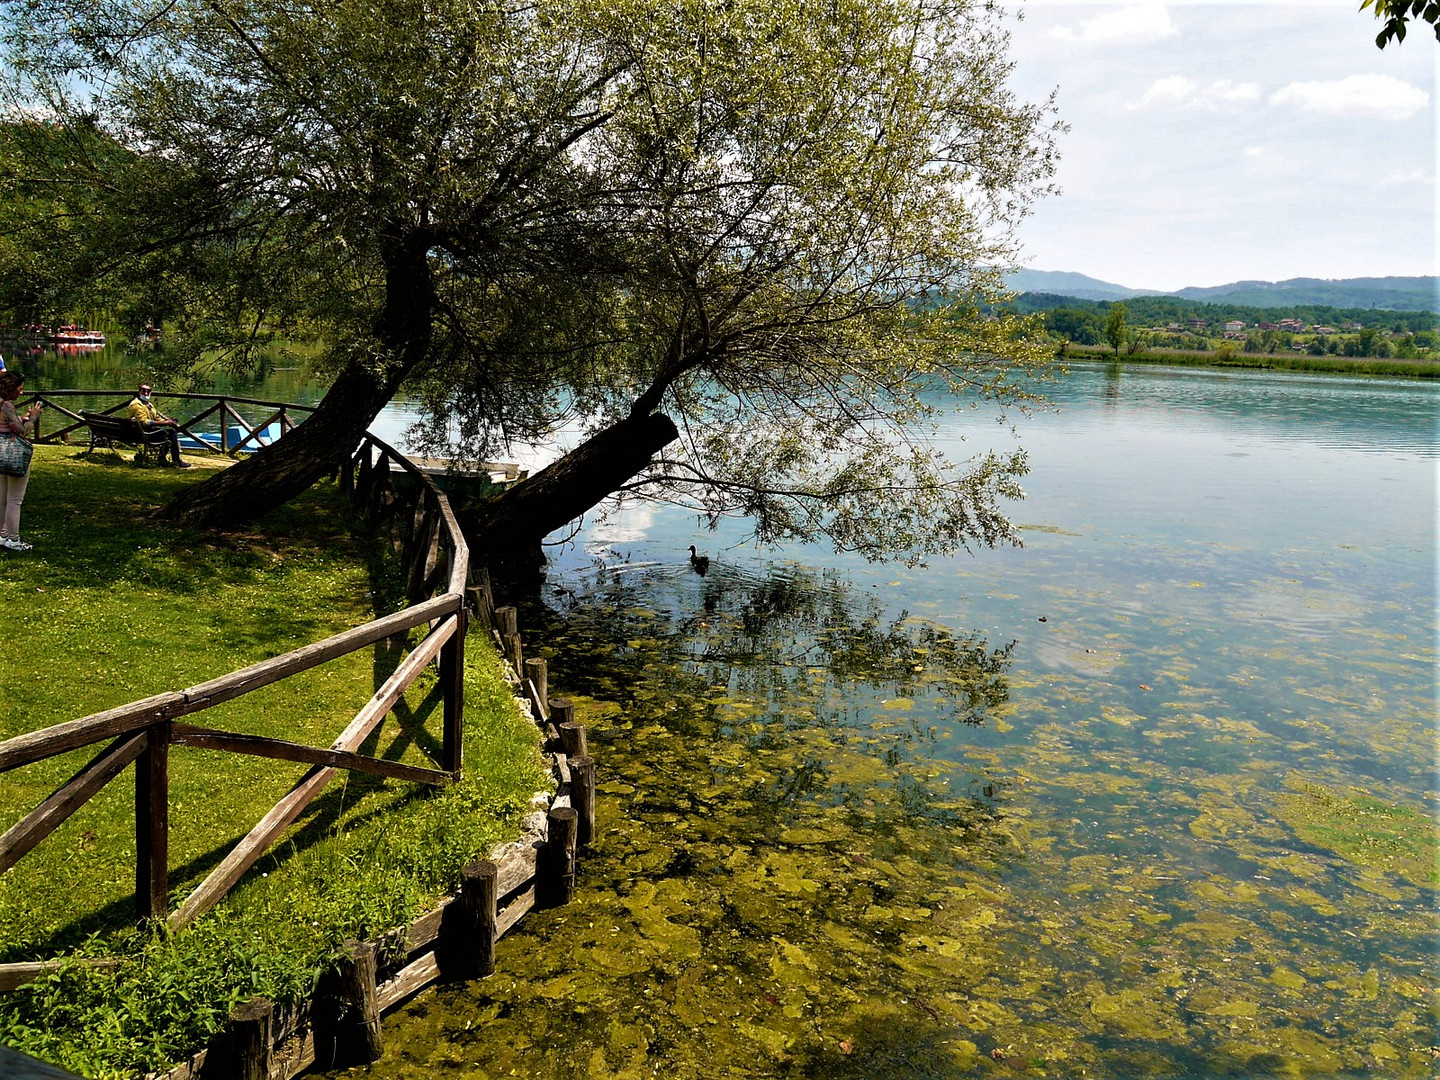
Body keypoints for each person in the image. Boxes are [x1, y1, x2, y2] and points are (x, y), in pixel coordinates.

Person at [0, 370, 41, 552]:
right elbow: (22, 432)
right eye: (20, 388)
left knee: (1, 499)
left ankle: (2, 535)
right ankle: (13, 539)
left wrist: (19, 419)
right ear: (10, 388)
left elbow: (7, 425)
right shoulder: (6, 406)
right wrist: (33, 417)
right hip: (12, 454)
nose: (21, 392)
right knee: (14, 500)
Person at [127, 383, 191, 467]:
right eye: (143, 391)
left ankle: (163, 458)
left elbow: (156, 417)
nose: (146, 393)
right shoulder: (137, 405)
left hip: (144, 432)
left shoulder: (148, 404)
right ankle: (174, 460)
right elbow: (144, 422)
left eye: (148, 391)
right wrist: (165, 423)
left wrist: (168, 421)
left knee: (170, 433)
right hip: (140, 434)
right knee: (171, 434)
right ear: (139, 392)